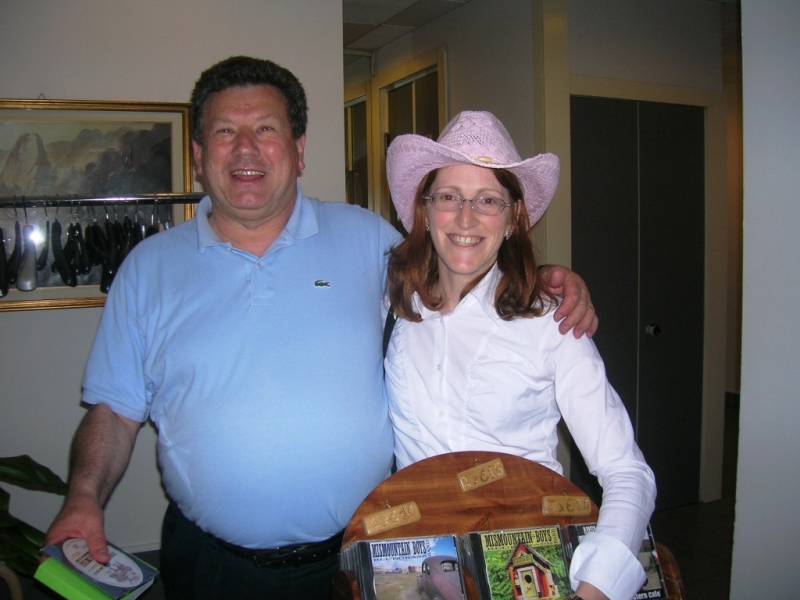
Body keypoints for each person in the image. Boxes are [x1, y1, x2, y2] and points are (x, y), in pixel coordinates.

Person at [44, 57, 597, 600]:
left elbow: (464, 270)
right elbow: (114, 411)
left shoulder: (368, 240)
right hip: (212, 565)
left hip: (360, 556)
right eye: (224, 131)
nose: (245, 148)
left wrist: (546, 279)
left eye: (266, 129)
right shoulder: (148, 269)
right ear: (198, 154)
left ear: (299, 149)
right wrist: (83, 497)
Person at [383, 111, 656, 600]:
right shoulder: (393, 308)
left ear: (513, 219)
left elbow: (626, 471)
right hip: (427, 569)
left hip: (524, 565)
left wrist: (597, 587)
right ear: (425, 210)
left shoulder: (552, 325)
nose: (466, 218)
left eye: (488, 200)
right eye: (449, 197)